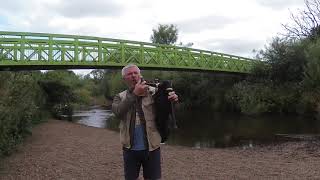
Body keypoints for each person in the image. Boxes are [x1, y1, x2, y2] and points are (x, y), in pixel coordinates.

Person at [112, 64, 178, 180]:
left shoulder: (154, 91)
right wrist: (134, 94)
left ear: (140, 75)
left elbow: (167, 111)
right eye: (129, 74)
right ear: (124, 79)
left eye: (135, 73)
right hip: (130, 149)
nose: (133, 76)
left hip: (152, 147)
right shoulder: (119, 96)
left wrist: (173, 100)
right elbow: (118, 112)